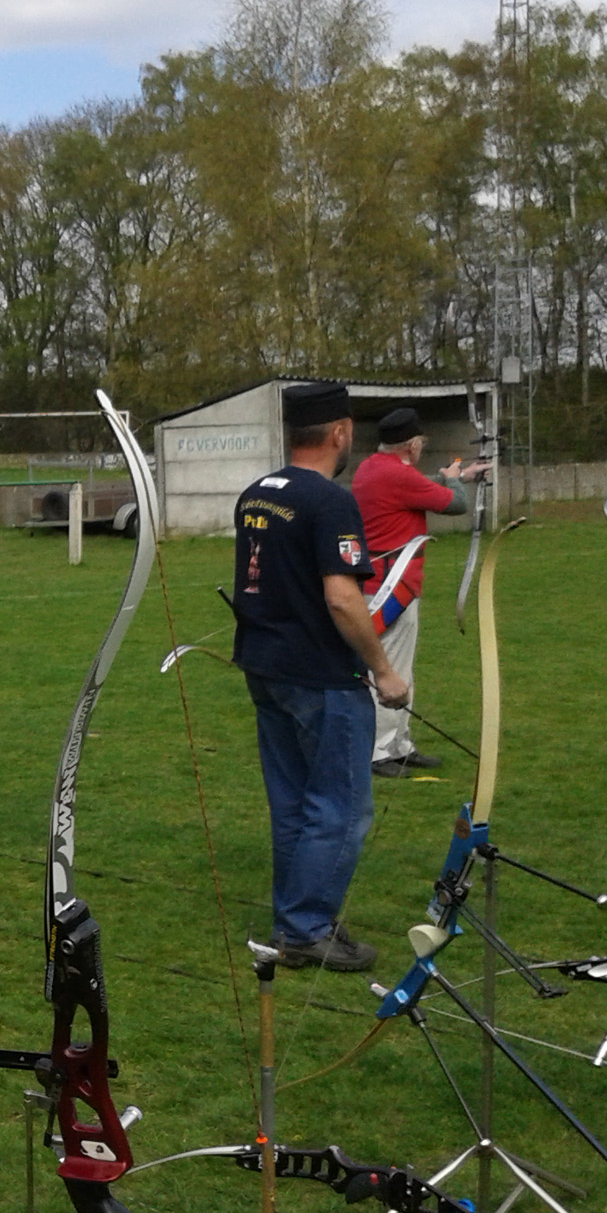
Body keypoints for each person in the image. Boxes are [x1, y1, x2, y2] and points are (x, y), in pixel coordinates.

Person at [231, 382, 410, 971]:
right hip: (320, 677)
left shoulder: (257, 494)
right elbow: (342, 597)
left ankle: (297, 921)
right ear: (340, 432)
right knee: (342, 808)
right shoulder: (330, 501)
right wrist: (383, 670)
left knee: (293, 803)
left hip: (266, 668)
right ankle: (305, 928)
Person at [352, 406, 491, 779]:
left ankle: (399, 745)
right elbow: (455, 503)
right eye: (420, 443)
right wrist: (455, 482)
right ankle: (380, 750)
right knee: (390, 668)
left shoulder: (373, 468)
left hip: (382, 584)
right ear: (411, 445)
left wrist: (456, 475)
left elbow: (420, 484)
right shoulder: (397, 475)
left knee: (399, 667)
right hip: (391, 586)